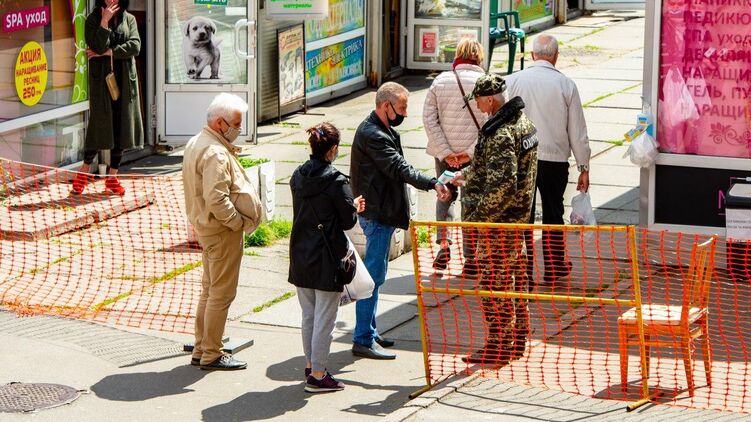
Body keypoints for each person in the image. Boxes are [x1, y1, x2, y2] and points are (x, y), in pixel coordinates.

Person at [350, 82, 451, 360]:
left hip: (382, 212)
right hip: (378, 215)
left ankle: (369, 331)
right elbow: (398, 167)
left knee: (377, 277)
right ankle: (362, 338)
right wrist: (432, 183)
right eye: (402, 107)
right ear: (386, 106)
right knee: (372, 279)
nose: (405, 112)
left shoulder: (382, 130)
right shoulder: (374, 135)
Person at [456, 73, 538, 365]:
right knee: (516, 284)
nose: (475, 105)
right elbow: (495, 172)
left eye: (477, 99)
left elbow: (503, 186)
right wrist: (466, 176)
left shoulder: (501, 133)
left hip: (497, 226)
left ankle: (498, 345)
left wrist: (477, 218)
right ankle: (517, 341)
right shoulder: (523, 124)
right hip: (516, 224)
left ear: (490, 99)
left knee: (494, 287)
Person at [182, 93, 262, 370]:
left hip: (207, 228)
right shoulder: (215, 151)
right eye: (236, 125)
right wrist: (237, 223)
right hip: (221, 231)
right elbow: (217, 198)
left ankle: (202, 347)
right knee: (221, 293)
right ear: (219, 123)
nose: (239, 130)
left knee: (209, 290)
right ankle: (212, 354)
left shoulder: (198, 142)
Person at [505, 34, 591, 284]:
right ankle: (554, 267)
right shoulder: (566, 85)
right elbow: (577, 129)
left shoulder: (513, 81)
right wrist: (583, 166)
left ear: (532, 55)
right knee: (554, 213)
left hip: (522, 158)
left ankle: (525, 273)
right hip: (554, 160)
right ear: (555, 56)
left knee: (525, 217)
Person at [289, 122, 366, 393]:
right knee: (325, 318)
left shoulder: (297, 175)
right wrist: (354, 205)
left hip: (300, 252)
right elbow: (347, 221)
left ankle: (311, 365)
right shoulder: (336, 181)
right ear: (333, 149)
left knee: (308, 315)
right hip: (327, 256)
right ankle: (319, 375)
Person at [423, 39, 487, 274]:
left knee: (444, 195)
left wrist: (446, 152)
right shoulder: (486, 83)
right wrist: (468, 153)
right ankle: (471, 259)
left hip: (444, 155)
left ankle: (443, 245)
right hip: (473, 157)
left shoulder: (440, 82)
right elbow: (492, 124)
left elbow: (429, 119)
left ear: (458, 55)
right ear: (479, 57)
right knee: (471, 202)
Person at [71, 0, 143, 196]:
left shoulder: (129, 19)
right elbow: (96, 44)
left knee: (122, 127)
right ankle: (83, 173)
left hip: (125, 83)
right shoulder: (92, 19)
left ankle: (112, 177)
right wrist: (104, 21)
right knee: (99, 126)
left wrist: (110, 51)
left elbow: (135, 46)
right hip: (102, 83)